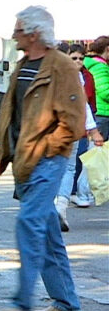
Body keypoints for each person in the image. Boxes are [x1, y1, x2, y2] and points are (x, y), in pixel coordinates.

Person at [0, 6, 86, 311]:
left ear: (33, 33)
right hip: (25, 159)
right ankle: (66, 304)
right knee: (46, 232)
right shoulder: (24, 65)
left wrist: (47, 148)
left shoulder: (61, 66)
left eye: (19, 29)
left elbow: (73, 123)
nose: (15, 34)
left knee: (29, 225)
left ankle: (22, 303)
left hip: (46, 160)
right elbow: (14, 115)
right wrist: (5, 155)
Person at [66, 44, 104, 208]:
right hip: (64, 126)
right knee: (66, 166)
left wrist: (92, 128)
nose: (78, 61)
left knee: (73, 165)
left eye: (81, 58)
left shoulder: (85, 75)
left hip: (79, 126)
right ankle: (63, 199)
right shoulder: (65, 75)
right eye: (74, 58)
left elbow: (86, 103)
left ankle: (64, 201)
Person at [86, 36, 109, 139]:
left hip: (98, 112)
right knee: (100, 149)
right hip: (103, 113)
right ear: (107, 49)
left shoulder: (92, 63)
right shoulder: (99, 66)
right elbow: (105, 91)